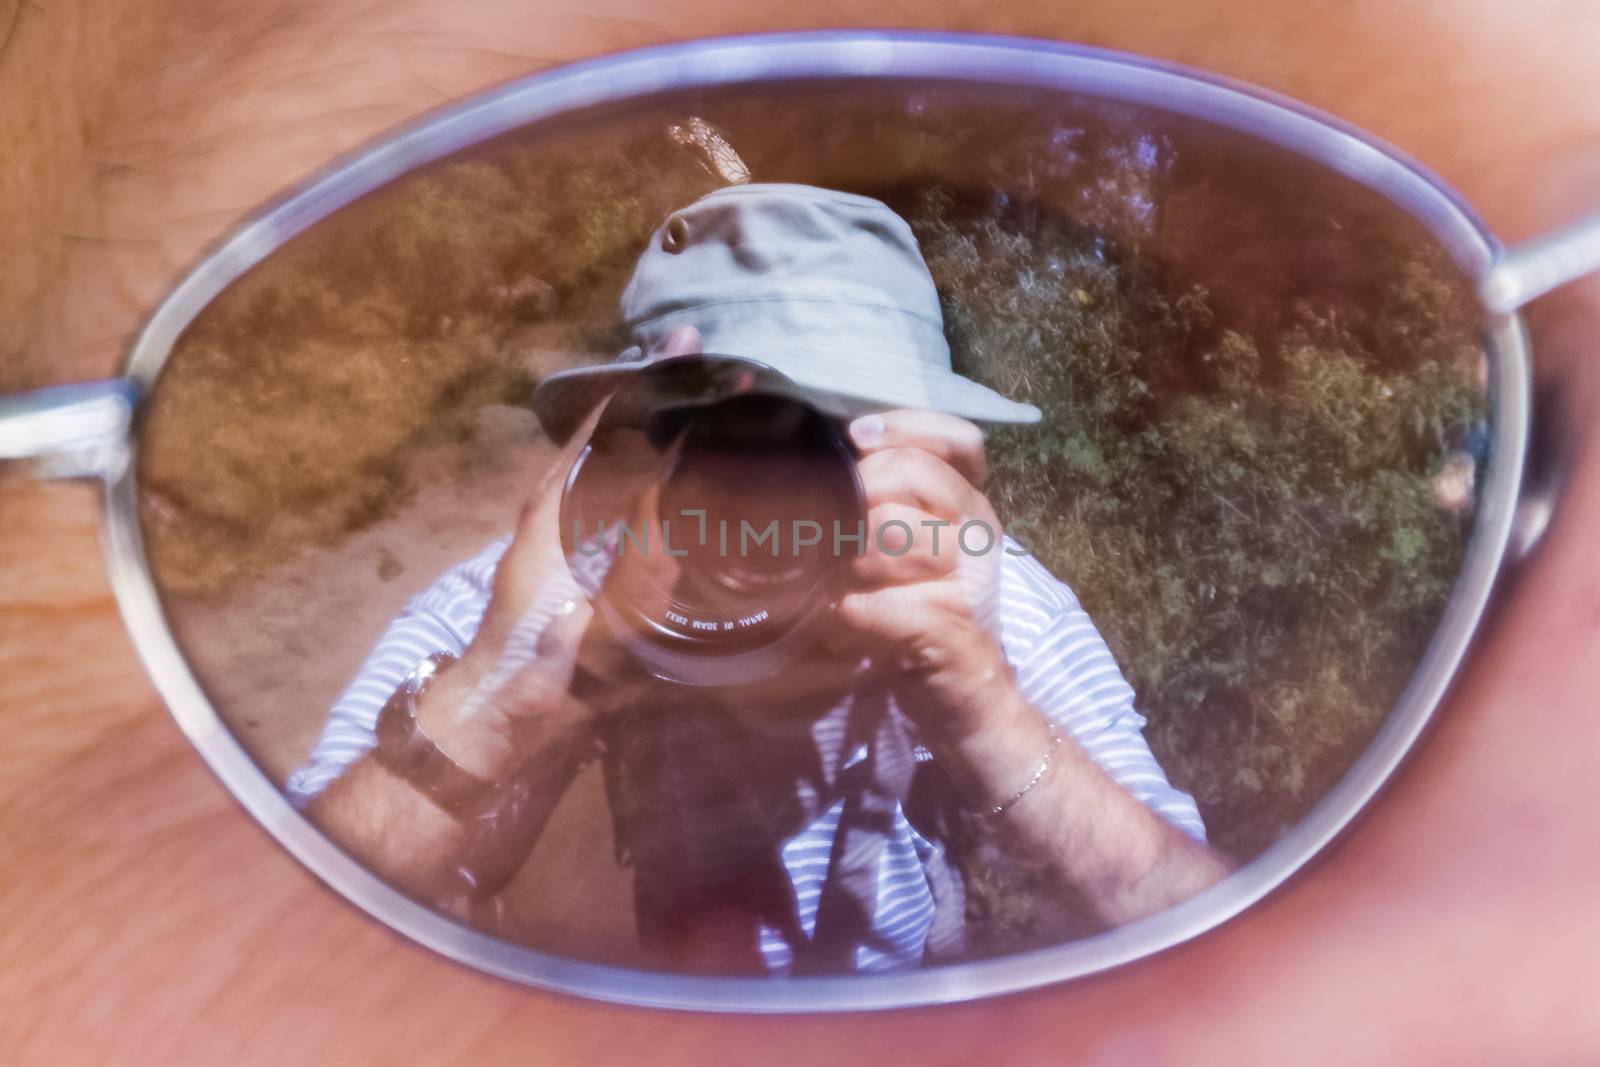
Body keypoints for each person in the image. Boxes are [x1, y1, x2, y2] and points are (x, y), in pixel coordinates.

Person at [289, 183, 1231, 974]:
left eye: (828, 446)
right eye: (708, 448)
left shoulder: (979, 603)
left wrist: (983, 706)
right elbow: (261, 948)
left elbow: (1211, 937)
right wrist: (493, 706)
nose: (762, 499)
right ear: (612, 452)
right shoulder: (520, 608)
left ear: (932, 471)